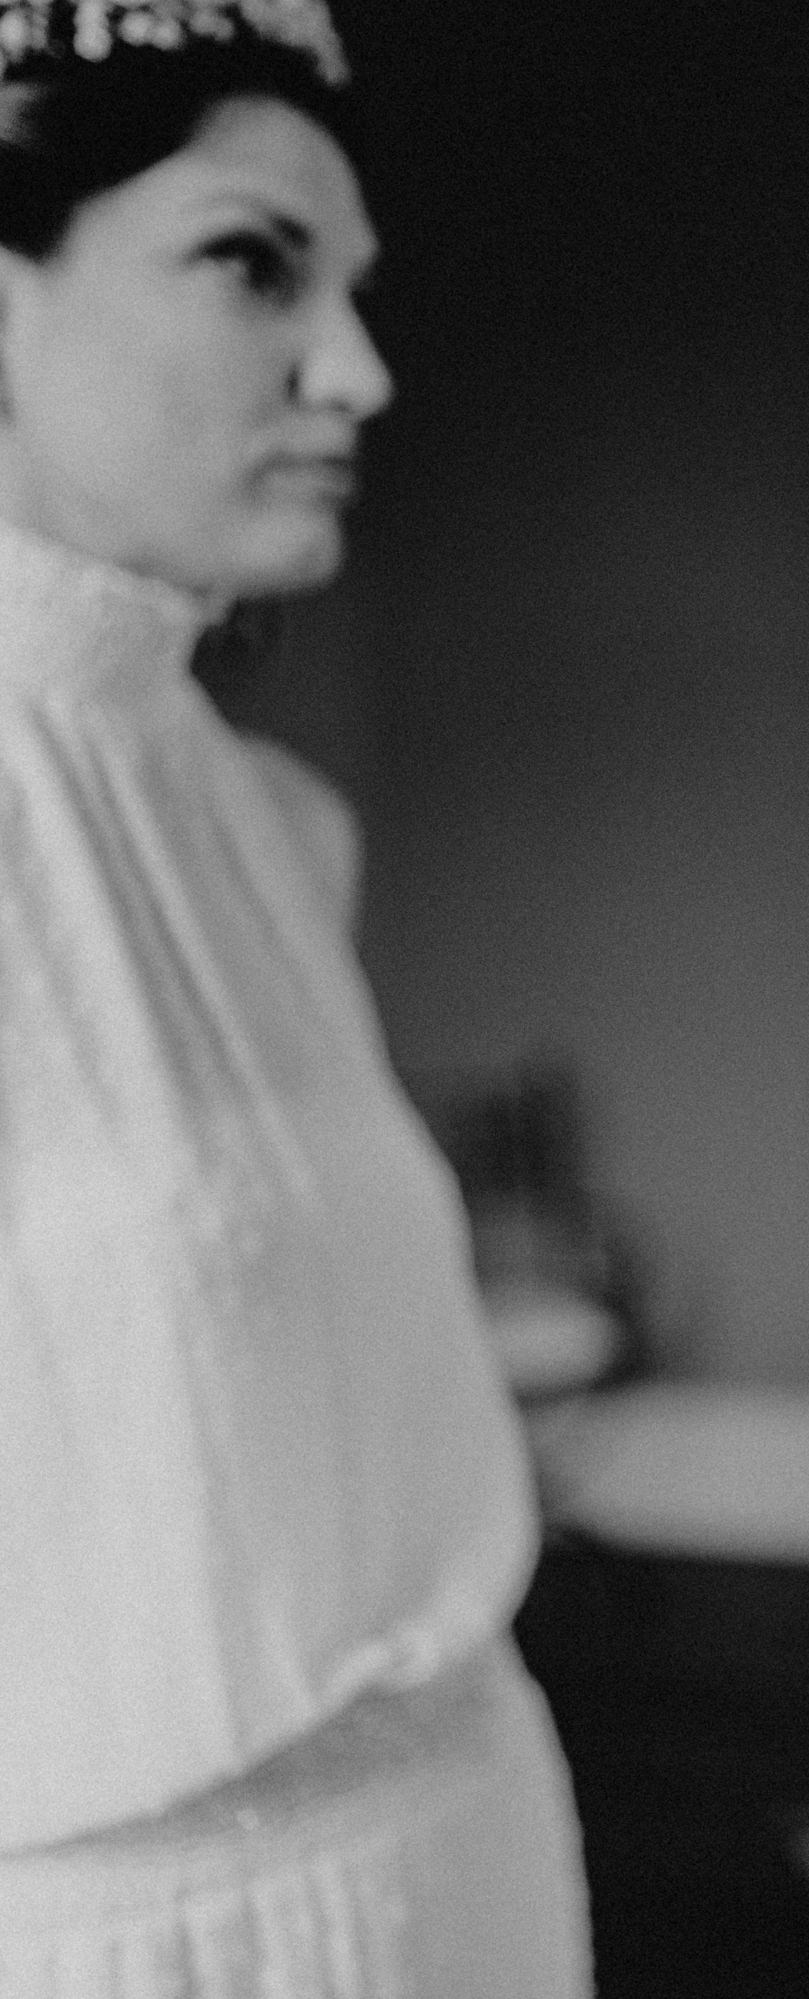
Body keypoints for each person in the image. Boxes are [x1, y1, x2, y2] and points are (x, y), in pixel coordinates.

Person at [0, 5, 590, 1993]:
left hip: (477, 1865)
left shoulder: (278, 828)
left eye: (353, 286)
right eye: (254, 261)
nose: (359, 367)